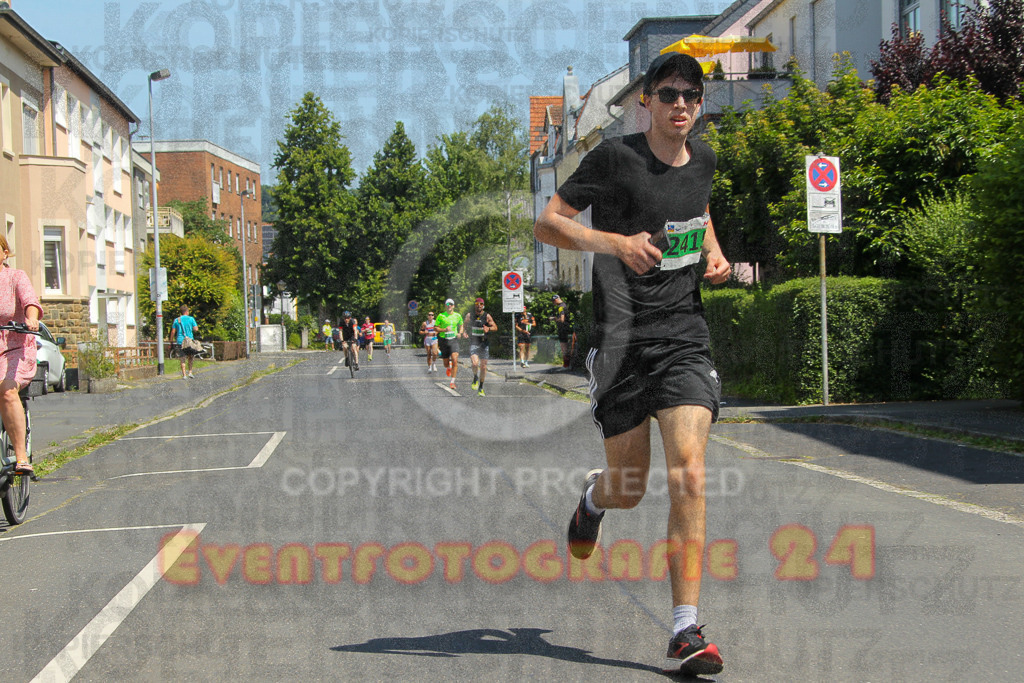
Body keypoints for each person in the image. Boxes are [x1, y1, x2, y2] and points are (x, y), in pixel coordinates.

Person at [533, 52, 731, 676]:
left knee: (690, 474)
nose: (680, 105)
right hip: (620, 342)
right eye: (669, 94)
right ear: (646, 100)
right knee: (629, 487)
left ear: (700, 105)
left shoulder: (703, 159)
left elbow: (699, 215)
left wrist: (716, 253)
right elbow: (547, 223)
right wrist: (613, 243)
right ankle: (592, 500)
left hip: (681, 336)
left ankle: (684, 629)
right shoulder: (614, 160)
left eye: (691, 97)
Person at [0, 236, 42, 476]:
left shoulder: (16, 276)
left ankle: (21, 457)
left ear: (5, 252)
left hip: (17, 346)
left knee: (7, 389)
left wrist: (32, 317)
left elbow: (30, 301)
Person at [463, 297, 497, 397]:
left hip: (484, 344)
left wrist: (489, 328)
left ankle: (481, 387)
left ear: (483, 305)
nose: (479, 305)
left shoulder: (487, 316)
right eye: (477, 304)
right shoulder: (470, 315)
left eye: (481, 304)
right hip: (474, 343)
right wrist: (464, 332)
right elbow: (463, 325)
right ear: (475, 305)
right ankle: (475, 377)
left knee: (483, 367)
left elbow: (495, 327)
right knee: (474, 363)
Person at [434, 298, 463, 390]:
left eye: (451, 304)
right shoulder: (441, 316)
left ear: (453, 306)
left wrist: (460, 333)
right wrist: (444, 330)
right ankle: (448, 367)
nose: (449, 305)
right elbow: (436, 328)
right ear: (445, 306)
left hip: (453, 339)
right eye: (447, 304)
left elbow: (461, 325)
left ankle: (452, 382)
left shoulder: (457, 316)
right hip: (443, 340)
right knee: (446, 363)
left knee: (455, 359)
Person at [171, 304, 200, 379]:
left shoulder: (177, 320)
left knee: (182, 358)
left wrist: (171, 340)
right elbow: (196, 329)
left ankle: (184, 375)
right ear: (187, 311)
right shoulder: (191, 319)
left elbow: (173, 331)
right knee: (191, 357)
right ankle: (190, 372)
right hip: (189, 341)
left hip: (180, 341)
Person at [552, 293, 573, 369]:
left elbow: (562, 319)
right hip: (566, 327)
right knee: (566, 346)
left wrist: (555, 319)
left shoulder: (561, 307)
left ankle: (566, 365)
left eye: (553, 301)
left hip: (563, 328)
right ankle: (567, 364)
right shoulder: (565, 305)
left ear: (556, 299)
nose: (553, 303)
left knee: (563, 346)